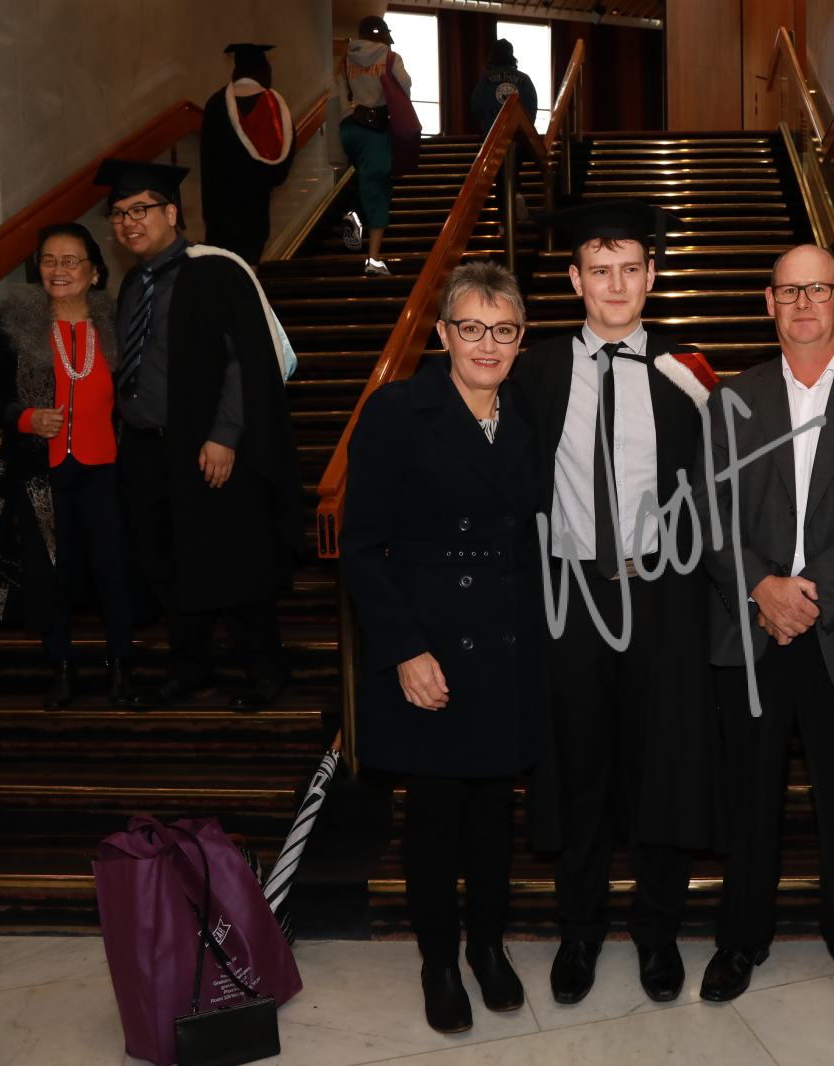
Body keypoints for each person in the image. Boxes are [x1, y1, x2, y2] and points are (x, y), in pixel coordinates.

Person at [694, 244, 834, 1023]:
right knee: (748, 797)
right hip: (752, 628)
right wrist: (762, 587)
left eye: (817, 289)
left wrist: (809, 595)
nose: (802, 304)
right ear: (768, 303)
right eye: (788, 291)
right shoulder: (731, 399)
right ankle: (740, 940)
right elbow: (709, 511)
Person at [515, 199, 721, 1006]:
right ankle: (580, 929)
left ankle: (658, 931)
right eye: (599, 271)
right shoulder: (533, 371)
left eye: (631, 269)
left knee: (663, 762)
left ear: (652, 276)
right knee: (578, 765)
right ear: (574, 279)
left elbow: (721, 488)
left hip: (663, 594)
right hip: (571, 594)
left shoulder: (689, 371)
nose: (615, 285)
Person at [341, 260, 537, 1032]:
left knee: (492, 812)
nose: (487, 344)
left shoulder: (530, 412)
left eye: (503, 329)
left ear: (521, 339)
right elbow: (362, 547)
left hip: (507, 640)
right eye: (472, 327)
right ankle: (438, 960)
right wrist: (404, 650)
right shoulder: (397, 410)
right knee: (432, 815)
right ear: (444, 333)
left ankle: (487, 946)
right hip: (428, 643)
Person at [94, 157, 302, 712]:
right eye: (118, 214)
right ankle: (190, 667)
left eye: (140, 210)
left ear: (171, 213)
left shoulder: (214, 271)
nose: (128, 223)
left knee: (233, 556)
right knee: (167, 563)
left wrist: (226, 434)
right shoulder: (132, 284)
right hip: (145, 447)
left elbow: (244, 360)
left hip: (206, 444)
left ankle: (266, 669)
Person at [0, 223, 134, 710]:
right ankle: (62, 668)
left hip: (107, 470)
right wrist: (25, 418)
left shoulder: (118, 322)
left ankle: (121, 667)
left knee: (114, 570)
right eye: (49, 260)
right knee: (49, 572)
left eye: (71, 260)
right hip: (41, 472)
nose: (58, 270)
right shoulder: (16, 320)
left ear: (95, 271)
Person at [200, 43, 297, 266]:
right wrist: (269, 178)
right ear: (265, 70)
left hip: (220, 208)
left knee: (221, 270)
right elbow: (285, 150)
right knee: (249, 270)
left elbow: (207, 161)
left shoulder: (215, 103)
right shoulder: (274, 103)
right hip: (255, 205)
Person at [340, 16, 416, 276]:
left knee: (366, 177)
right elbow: (405, 83)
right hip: (374, 130)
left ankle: (355, 214)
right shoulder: (389, 57)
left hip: (349, 129)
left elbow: (337, 97)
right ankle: (373, 260)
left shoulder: (346, 58)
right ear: (383, 35)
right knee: (380, 188)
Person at [471, 39, 538, 136]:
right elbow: (532, 109)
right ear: (512, 55)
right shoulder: (525, 79)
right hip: (518, 135)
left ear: (493, 55)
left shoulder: (485, 79)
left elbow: (477, 108)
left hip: (492, 136)